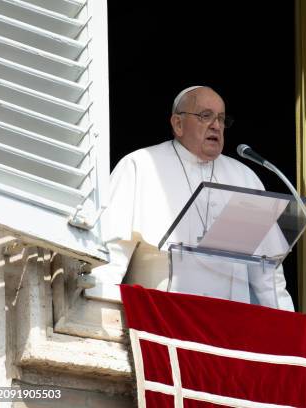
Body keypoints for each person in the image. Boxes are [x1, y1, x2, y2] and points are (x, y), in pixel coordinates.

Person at [87, 86, 294, 311]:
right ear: (178, 124)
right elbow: (113, 254)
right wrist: (96, 312)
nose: (216, 125)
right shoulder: (141, 165)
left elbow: (267, 274)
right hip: (160, 321)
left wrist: (288, 328)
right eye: (206, 116)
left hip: (230, 328)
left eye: (222, 119)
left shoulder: (245, 177)